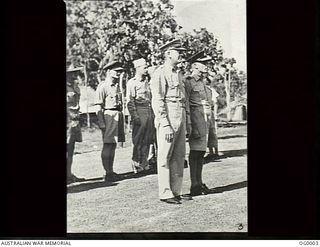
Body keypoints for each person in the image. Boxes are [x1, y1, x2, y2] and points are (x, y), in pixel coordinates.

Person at [150, 39, 192, 204]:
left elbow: (184, 98)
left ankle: (176, 190)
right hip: (168, 113)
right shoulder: (160, 73)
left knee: (179, 155)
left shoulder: (177, 73)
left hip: (180, 113)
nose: (181, 54)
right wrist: (165, 123)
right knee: (165, 155)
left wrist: (187, 119)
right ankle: (165, 192)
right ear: (168, 54)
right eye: (178, 51)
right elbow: (158, 99)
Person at [185, 51, 216, 196]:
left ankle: (199, 182)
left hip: (205, 119)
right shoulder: (188, 81)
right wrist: (190, 124)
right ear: (195, 65)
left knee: (201, 152)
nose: (207, 66)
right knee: (195, 152)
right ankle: (194, 184)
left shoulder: (202, 82)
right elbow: (187, 105)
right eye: (204, 64)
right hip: (196, 119)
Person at [95, 61, 125, 182]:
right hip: (108, 115)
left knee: (113, 145)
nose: (118, 73)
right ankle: (107, 172)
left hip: (117, 114)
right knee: (108, 145)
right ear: (108, 72)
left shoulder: (117, 86)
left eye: (119, 71)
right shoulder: (103, 86)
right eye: (116, 71)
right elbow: (98, 107)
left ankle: (110, 170)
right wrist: (101, 123)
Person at [126, 58, 155, 173]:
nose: (146, 69)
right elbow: (130, 101)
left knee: (148, 139)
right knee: (138, 139)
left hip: (149, 111)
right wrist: (135, 116)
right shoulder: (132, 83)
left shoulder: (148, 81)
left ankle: (145, 162)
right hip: (139, 110)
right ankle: (136, 163)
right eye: (144, 67)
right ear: (137, 68)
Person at [66, 66, 85, 184]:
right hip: (67, 121)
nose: (74, 75)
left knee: (71, 148)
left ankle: (69, 174)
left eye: (75, 73)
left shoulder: (75, 86)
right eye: (71, 73)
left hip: (75, 121)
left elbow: (76, 103)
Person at [204, 70, 223, 160]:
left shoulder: (210, 90)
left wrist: (215, 115)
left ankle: (215, 151)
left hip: (209, 112)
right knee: (208, 132)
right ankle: (211, 151)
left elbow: (215, 103)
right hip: (204, 112)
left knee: (212, 132)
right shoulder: (203, 90)